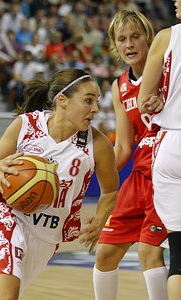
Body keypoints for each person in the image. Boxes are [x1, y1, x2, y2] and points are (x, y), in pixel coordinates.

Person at [0, 68, 119, 300]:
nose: (95, 109)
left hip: (47, 236)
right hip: (6, 215)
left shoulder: (97, 144)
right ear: (63, 100)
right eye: (88, 101)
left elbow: (110, 190)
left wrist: (99, 220)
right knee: (5, 295)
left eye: (96, 101)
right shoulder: (26, 126)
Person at [93, 10, 168, 300]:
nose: (129, 44)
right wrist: (92, 167)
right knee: (105, 253)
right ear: (114, 45)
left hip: (166, 171)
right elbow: (124, 145)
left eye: (135, 36)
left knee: (149, 252)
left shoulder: (168, 70)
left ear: (149, 38)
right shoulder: (118, 85)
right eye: (121, 39)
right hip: (139, 177)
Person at [138, 1, 181, 298]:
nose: (175, 1)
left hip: (172, 145)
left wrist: (157, 99)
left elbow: (144, 99)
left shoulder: (166, 37)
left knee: (178, 253)